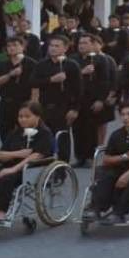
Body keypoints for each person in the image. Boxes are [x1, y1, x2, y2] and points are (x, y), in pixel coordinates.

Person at [0, 103, 54, 225]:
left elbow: (35, 156)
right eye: (20, 116)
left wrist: (13, 169)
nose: (22, 119)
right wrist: (19, 153)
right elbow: (0, 155)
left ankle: (1, 213)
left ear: (37, 117)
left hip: (30, 169)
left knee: (6, 178)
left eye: (27, 116)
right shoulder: (16, 132)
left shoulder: (44, 133)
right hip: (9, 164)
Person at [87, 101, 129, 225]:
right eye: (123, 114)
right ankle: (96, 208)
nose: (125, 118)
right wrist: (124, 157)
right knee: (103, 174)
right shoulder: (116, 134)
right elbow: (106, 159)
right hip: (119, 167)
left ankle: (119, 213)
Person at [33, 33, 81, 164]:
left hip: (63, 107)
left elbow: (78, 90)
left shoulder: (71, 65)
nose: (53, 48)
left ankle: (62, 168)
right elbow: (33, 82)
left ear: (65, 48)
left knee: (62, 138)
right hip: (45, 106)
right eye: (51, 45)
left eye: (57, 46)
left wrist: (75, 109)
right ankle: (46, 166)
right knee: (44, 138)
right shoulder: (42, 64)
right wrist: (51, 80)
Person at [74, 32, 118, 160]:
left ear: (93, 44)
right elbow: (69, 77)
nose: (82, 46)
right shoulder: (73, 59)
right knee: (77, 130)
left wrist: (101, 100)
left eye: (85, 43)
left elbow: (105, 82)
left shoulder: (102, 59)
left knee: (91, 129)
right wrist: (82, 72)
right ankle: (79, 156)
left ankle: (90, 156)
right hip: (78, 100)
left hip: (93, 99)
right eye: (80, 43)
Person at [0, 35, 37, 143]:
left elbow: (36, 86)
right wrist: (10, 74)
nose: (11, 48)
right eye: (9, 46)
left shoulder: (31, 64)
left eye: (15, 45)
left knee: (25, 134)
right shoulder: (4, 64)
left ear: (23, 47)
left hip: (23, 103)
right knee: (5, 133)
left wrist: (33, 104)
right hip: (6, 103)